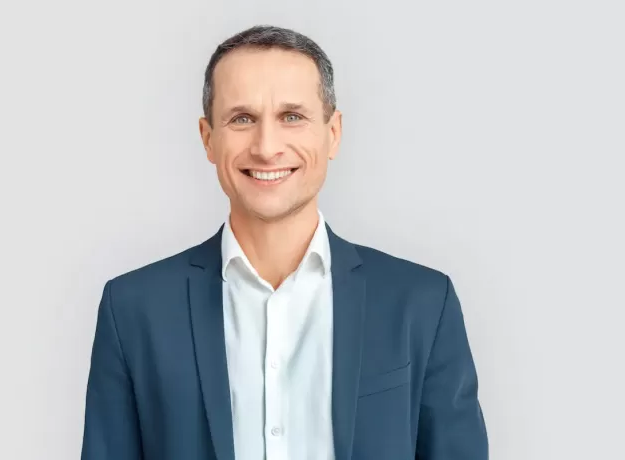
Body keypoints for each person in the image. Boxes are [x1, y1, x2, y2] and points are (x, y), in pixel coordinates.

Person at [81, 25, 488, 460]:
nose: (266, 147)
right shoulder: (133, 310)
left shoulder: (422, 303)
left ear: (333, 133)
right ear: (208, 139)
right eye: (242, 118)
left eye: (292, 116)